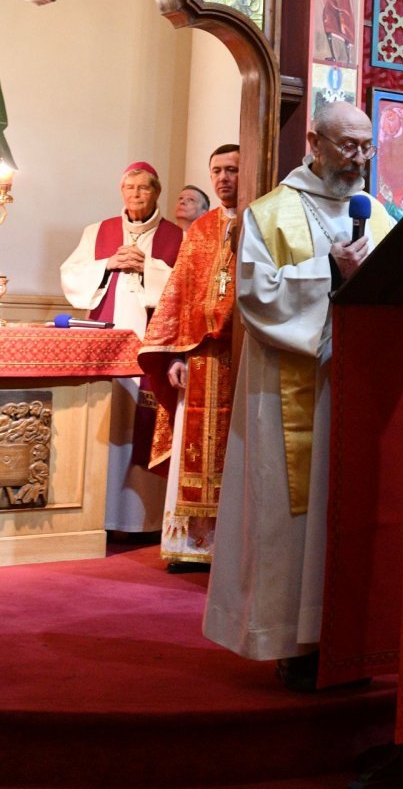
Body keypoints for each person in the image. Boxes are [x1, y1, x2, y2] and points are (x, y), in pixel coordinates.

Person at [203, 103, 393, 690]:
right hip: (290, 392)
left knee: (352, 514)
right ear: (314, 141)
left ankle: (353, 637)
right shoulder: (271, 212)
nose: (359, 159)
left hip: (359, 393)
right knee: (292, 517)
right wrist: (328, 271)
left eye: (366, 147)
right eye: (347, 147)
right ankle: (294, 642)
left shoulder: (378, 214)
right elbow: (255, 297)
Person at [60, 161, 183, 534]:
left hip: (152, 347)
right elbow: (71, 274)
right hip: (104, 343)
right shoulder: (98, 231)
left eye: (142, 189)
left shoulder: (175, 236)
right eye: (128, 189)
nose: (134, 195)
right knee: (107, 421)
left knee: (143, 422)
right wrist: (108, 263)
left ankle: (140, 521)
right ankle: (98, 516)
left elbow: (184, 287)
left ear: (156, 192)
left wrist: (149, 267)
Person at [139, 146, 240, 570]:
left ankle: (232, 544)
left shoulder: (262, 223)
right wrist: (176, 354)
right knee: (192, 447)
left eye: (232, 170)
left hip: (240, 355)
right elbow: (179, 295)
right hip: (198, 357)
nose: (223, 179)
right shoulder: (200, 230)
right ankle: (190, 546)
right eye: (216, 170)